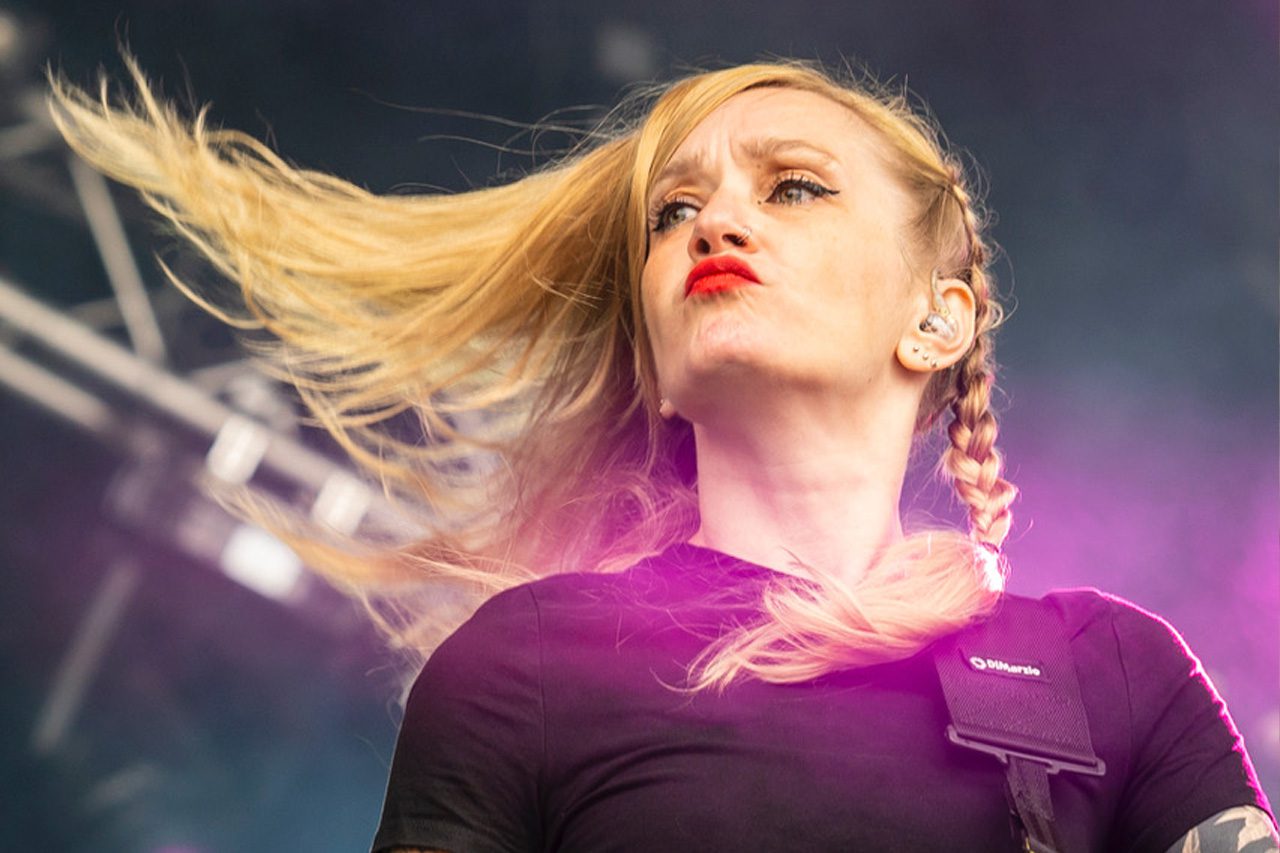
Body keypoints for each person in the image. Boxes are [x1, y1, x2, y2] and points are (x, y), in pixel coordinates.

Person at [49, 58, 1276, 852]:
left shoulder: (1111, 669)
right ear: (652, 347)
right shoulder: (523, 665)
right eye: (671, 213)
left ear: (936, 318)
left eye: (791, 188)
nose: (716, 223)